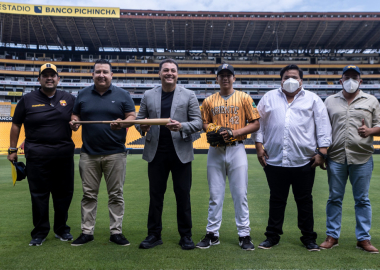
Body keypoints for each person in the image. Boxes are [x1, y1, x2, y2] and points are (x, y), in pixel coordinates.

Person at [254, 64, 331, 251]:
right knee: (276, 199)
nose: (290, 79)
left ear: (301, 80)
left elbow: (323, 127)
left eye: (294, 77)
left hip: (304, 160)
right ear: (281, 80)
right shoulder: (268, 98)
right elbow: (259, 125)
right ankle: (272, 236)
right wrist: (258, 147)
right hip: (275, 160)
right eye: (287, 76)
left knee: (304, 200)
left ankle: (309, 238)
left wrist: (322, 153)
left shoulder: (313, 99)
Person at [135, 59, 202, 250]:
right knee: (155, 196)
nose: (169, 73)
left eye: (173, 70)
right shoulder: (148, 95)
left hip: (180, 152)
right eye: (166, 70)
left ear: (177, 74)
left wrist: (181, 126)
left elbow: (198, 122)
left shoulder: (189, 95)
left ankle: (186, 235)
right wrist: (142, 126)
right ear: (160, 73)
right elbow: (140, 121)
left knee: (183, 195)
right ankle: (154, 234)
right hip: (156, 152)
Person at [70, 59, 136, 246]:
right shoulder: (82, 94)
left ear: (111, 75)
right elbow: (76, 116)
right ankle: (87, 232)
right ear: (93, 74)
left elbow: (131, 116)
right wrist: (74, 121)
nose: (101, 75)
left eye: (105, 72)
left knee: (116, 194)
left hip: (115, 153)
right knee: (89, 194)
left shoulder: (123, 95)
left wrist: (123, 123)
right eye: (98, 72)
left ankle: (116, 232)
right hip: (88, 154)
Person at [8, 63, 76, 246]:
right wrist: (12, 150)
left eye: (52, 75)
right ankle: (40, 232)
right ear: (39, 79)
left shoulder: (69, 98)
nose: (49, 78)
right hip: (37, 157)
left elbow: (77, 119)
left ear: (58, 78)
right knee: (39, 195)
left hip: (63, 156)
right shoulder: (27, 99)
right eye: (45, 75)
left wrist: (76, 123)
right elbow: (16, 124)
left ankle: (62, 229)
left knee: (64, 194)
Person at [196, 63, 260, 250]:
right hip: (215, 150)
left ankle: (244, 234)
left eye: (228, 75)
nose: (225, 78)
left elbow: (255, 123)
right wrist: (214, 129)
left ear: (234, 78)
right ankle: (212, 234)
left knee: (240, 194)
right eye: (221, 75)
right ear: (217, 79)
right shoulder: (208, 101)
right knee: (215, 195)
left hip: (237, 148)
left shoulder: (244, 98)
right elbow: (204, 123)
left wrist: (234, 132)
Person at [321, 65, 380, 253]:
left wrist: (370, 130)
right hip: (336, 157)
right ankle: (332, 236)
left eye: (354, 77)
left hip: (362, 156)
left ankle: (363, 239)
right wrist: (322, 152)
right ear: (341, 80)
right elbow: (323, 128)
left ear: (360, 81)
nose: (351, 80)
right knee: (334, 198)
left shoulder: (371, 100)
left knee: (362, 199)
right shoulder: (329, 101)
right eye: (347, 77)